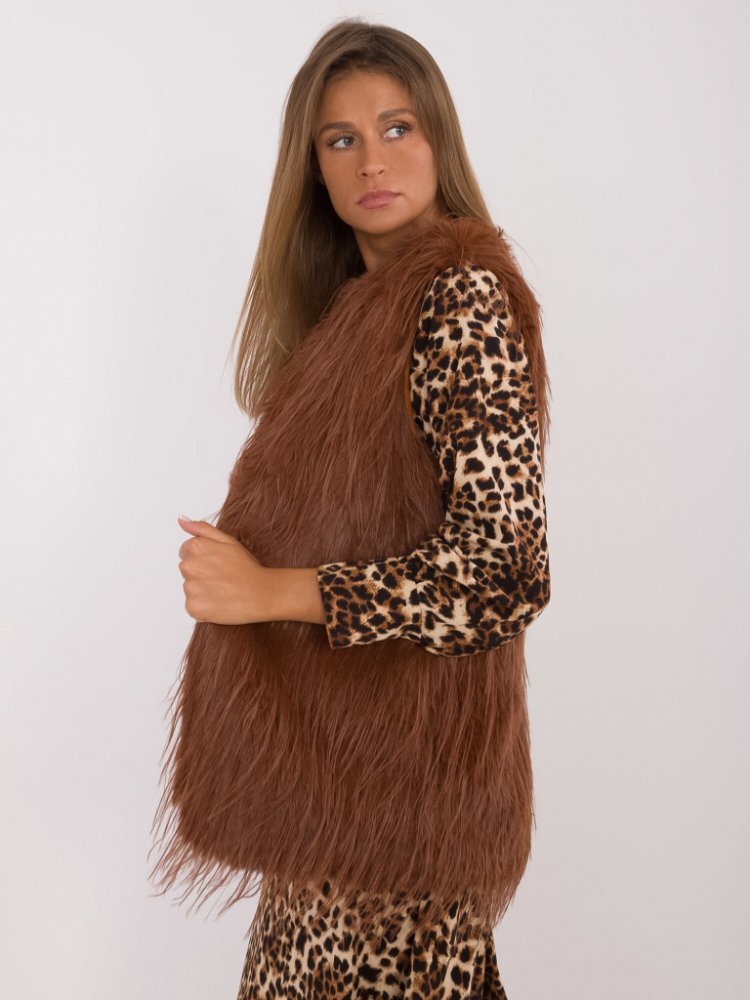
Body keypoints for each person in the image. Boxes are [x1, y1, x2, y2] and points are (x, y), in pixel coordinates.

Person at [152, 17, 551, 999]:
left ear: (439, 140)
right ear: (315, 170)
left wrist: (271, 590)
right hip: (352, 798)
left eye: (397, 127)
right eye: (341, 139)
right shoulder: (358, 320)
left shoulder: (459, 297)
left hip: (399, 809)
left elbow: (503, 573)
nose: (372, 159)